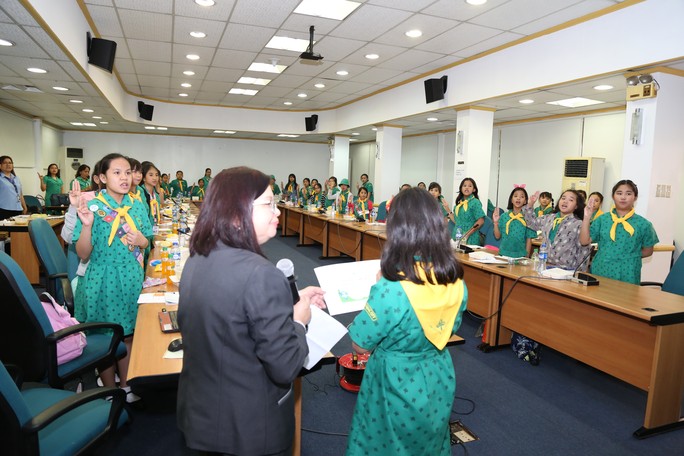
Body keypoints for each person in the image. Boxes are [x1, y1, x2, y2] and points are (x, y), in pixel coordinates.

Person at [177, 167, 326, 455]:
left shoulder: (198, 257)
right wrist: (298, 321)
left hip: (203, 415)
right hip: (248, 429)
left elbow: (234, 318)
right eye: (269, 203)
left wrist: (287, 303)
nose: (278, 211)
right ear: (236, 213)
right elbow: (285, 367)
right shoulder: (261, 274)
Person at [345, 188, 468, 456]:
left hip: (394, 377)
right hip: (438, 372)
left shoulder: (392, 287)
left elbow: (359, 345)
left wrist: (376, 287)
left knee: (386, 442)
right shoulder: (456, 281)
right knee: (430, 440)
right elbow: (447, 329)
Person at [73, 153, 152, 401]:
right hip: (102, 278)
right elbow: (83, 253)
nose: (124, 177)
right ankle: (109, 388)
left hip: (130, 276)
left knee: (128, 334)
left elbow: (146, 241)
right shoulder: (93, 207)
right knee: (107, 337)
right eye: (116, 172)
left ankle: (127, 385)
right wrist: (86, 225)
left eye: (127, 172)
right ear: (102, 178)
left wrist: (142, 241)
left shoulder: (137, 204)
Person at [580, 180, 658, 284]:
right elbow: (584, 241)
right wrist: (586, 217)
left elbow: (648, 251)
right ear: (613, 196)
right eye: (619, 193)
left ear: (635, 197)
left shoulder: (644, 224)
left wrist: (627, 257)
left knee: (625, 299)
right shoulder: (602, 219)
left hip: (628, 272)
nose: (623, 197)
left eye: (628, 193)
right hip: (601, 268)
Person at [523, 189, 591, 270]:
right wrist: (530, 204)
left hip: (565, 270)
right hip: (545, 265)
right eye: (563, 198)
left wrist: (580, 272)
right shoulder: (549, 218)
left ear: (576, 206)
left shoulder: (578, 224)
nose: (565, 201)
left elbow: (584, 249)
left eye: (571, 200)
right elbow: (531, 223)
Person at [493, 187, 538, 258]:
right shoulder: (504, 216)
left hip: (520, 255)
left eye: (522, 197)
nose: (518, 198)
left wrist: (526, 257)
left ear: (525, 201)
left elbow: (529, 239)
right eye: (515, 196)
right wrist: (495, 223)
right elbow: (497, 236)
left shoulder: (528, 218)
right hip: (503, 254)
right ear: (511, 199)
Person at [452, 177, 485, 245]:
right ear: (461, 188)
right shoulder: (459, 203)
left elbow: (481, 221)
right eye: (464, 186)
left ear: (474, 189)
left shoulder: (475, 202)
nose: (466, 188)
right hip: (457, 235)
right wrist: (448, 210)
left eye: (470, 186)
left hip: (470, 237)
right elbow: (457, 221)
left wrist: (467, 235)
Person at [0, 155, 27, 220]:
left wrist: (24, 207)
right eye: (5, 163)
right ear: (0, 165)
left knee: (17, 229)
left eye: (10, 163)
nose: (8, 165)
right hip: (4, 209)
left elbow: (20, 194)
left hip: (18, 208)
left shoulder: (16, 178)